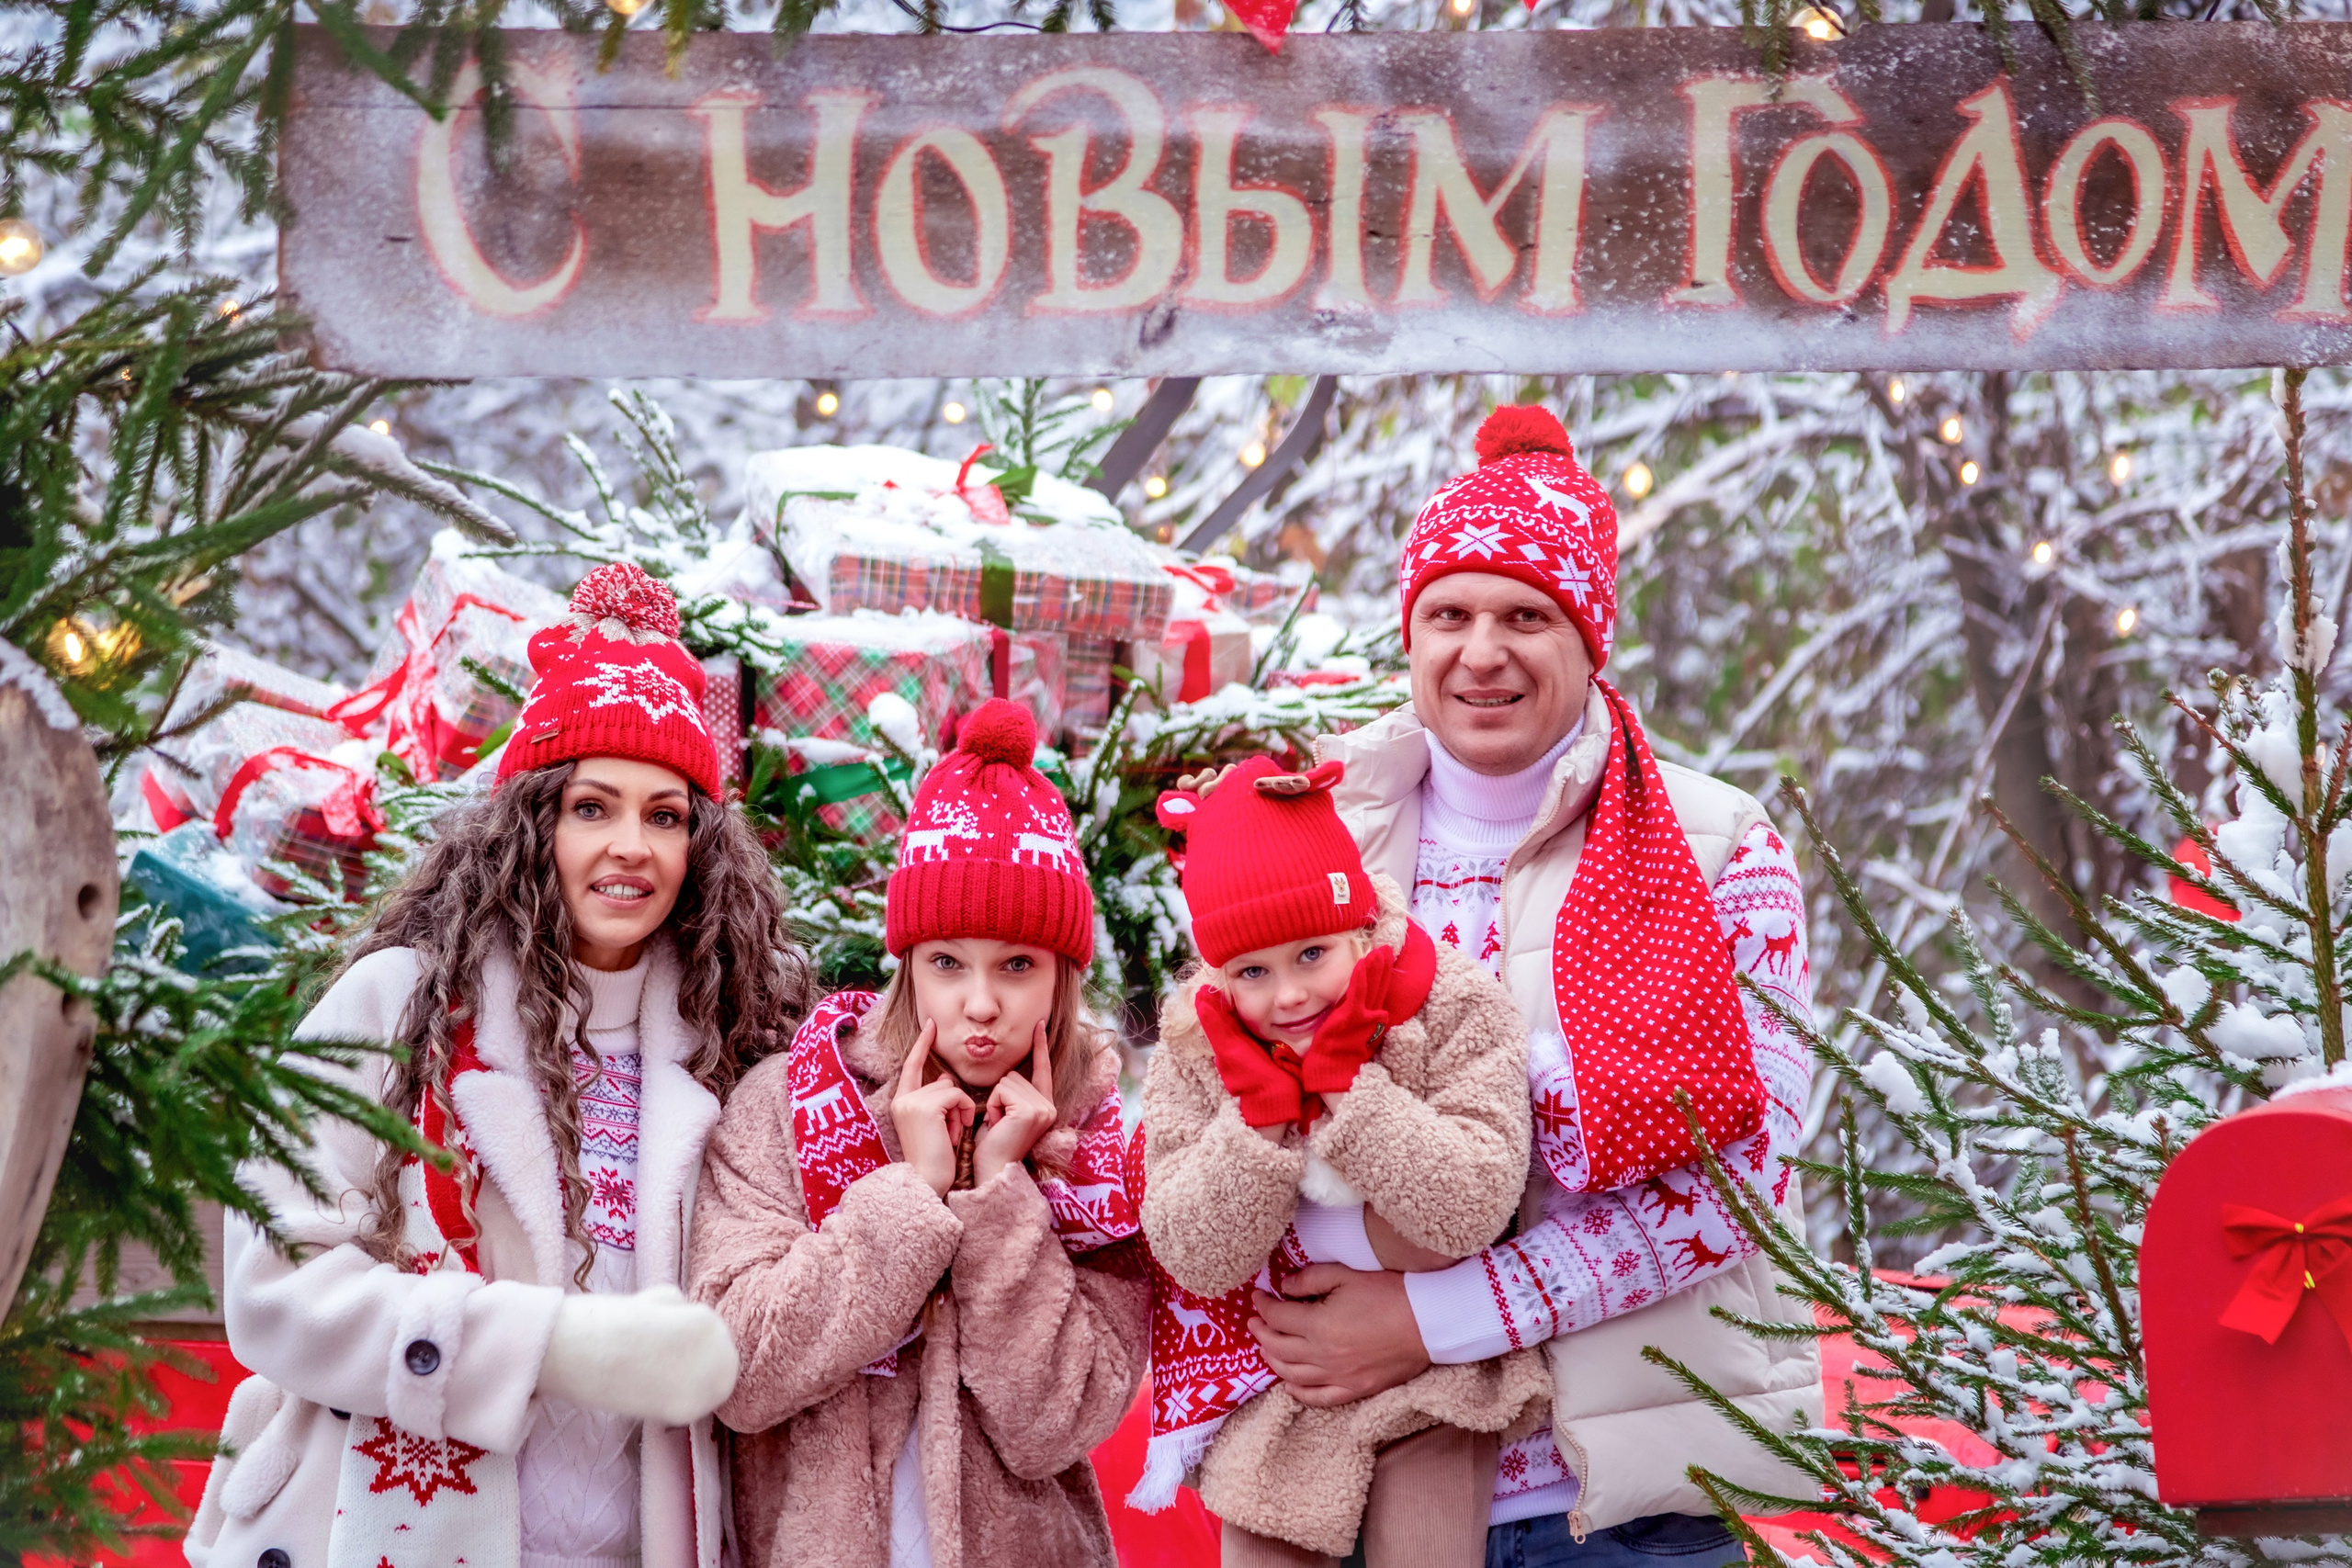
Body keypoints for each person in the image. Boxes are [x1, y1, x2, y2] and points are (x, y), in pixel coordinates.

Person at [1258, 406, 1822, 1568]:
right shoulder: (1313, 840)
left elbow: (1740, 1180)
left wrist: (1426, 1322)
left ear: (1588, 636)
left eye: (1526, 615)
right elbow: (1239, 1106)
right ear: (1407, 635)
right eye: (1448, 614)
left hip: (1617, 1507)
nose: (1482, 651)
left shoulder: (1719, 844)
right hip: (1358, 1478)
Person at [187, 563, 810, 1568]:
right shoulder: (400, 1004)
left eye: (664, 816)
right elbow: (272, 1285)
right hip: (396, 1533)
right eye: (591, 806)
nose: (631, 847)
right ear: (533, 823)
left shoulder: (732, 1041)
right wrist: (547, 1346)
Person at [688, 699, 1149, 1568]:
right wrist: (909, 1197)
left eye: (1018, 964)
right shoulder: (789, 1105)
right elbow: (735, 1370)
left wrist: (998, 1201)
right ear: (907, 964)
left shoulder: (1100, 1150)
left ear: (1062, 975)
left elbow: (1061, 1420)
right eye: (948, 962)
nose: (980, 1004)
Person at [1136, 754, 1548, 1568]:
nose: (1289, 997)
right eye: (1253, 972)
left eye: (1311, 955)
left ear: (1357, 927)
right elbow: (1192, 1251)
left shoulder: (1450, 1002)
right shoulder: (1195, 1049)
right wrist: (1257, 1125)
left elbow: (1473, 1204)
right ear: (1217, 977)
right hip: (1278, 1396)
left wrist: (1350, 1095)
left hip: (1437, 1385)